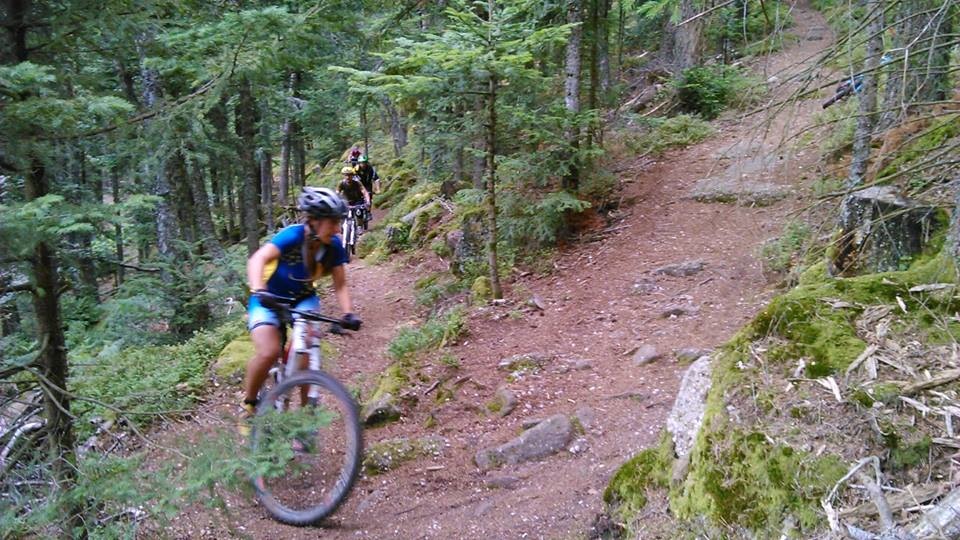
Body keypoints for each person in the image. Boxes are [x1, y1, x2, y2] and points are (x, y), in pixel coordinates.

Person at [239, 187, 361, 433]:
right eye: (332, 223)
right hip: (268, 298)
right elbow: (257, 260)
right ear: (314, 221)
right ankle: (249, 403)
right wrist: (259, 289)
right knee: (269, 351)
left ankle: (306, 419)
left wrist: (348, 313)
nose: (337, 229)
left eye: (339, 223)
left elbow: (340, 284)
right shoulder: (292, 236)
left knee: (304, 353)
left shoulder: (334, 246)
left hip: (303, 300)